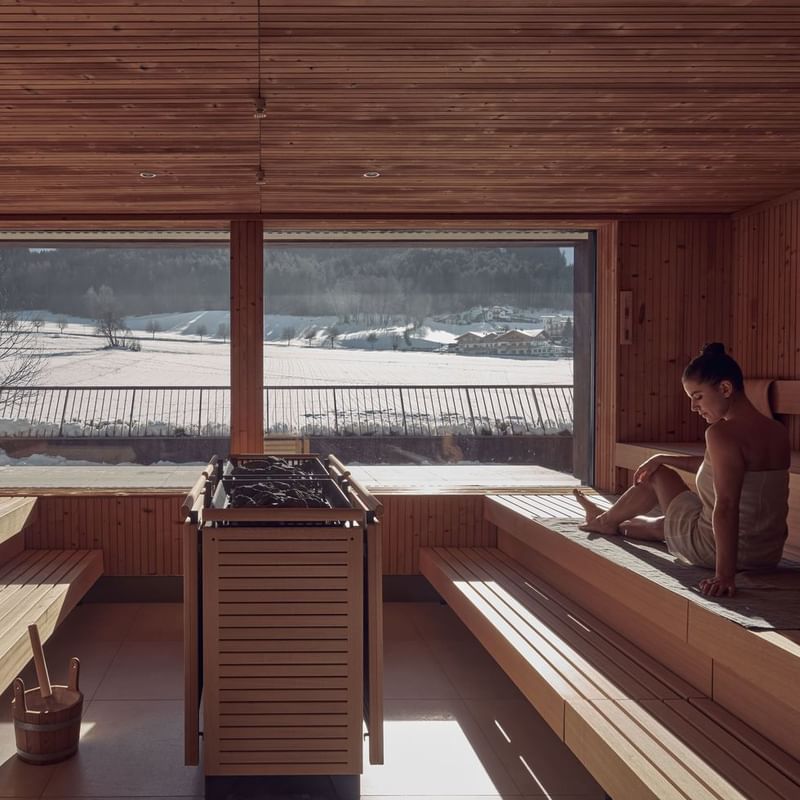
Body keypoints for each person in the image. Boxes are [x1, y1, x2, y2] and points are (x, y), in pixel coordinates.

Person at [573, 343, 790, 598]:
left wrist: (725, 575)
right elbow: (726, 468)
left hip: (723, 553)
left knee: (657, 475)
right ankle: (607, 520)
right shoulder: (777, 431)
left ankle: (605, 521)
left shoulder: (721, 434)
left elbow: (726, 506)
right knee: (665, 524)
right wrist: (664, 457)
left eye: (698, 397)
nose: (693, 407)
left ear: (725, 388)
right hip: (765, 554)